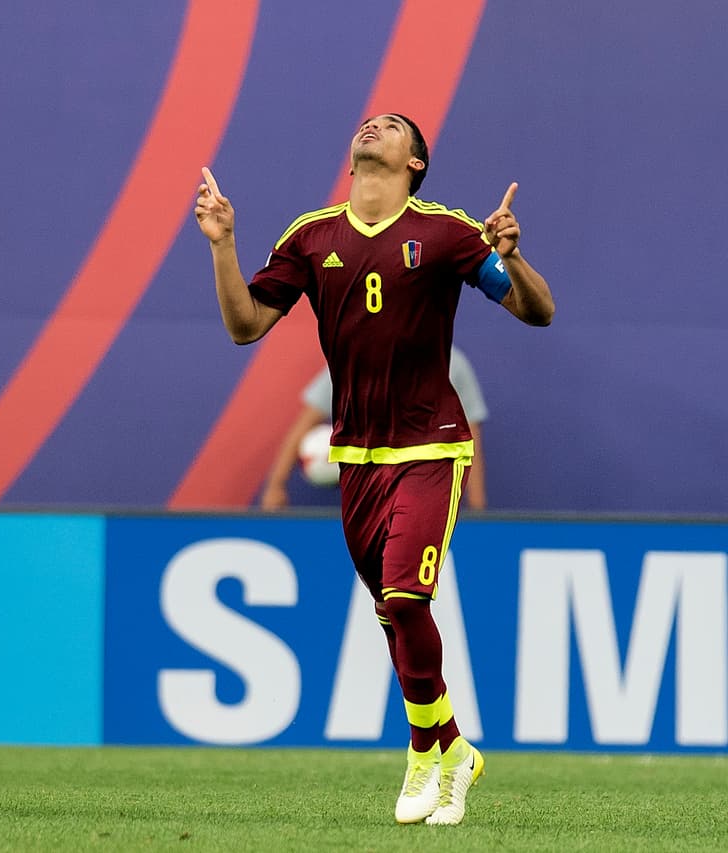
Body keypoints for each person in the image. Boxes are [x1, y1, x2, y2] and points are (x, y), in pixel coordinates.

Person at [195, 113, 553, 826]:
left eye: (393, 127)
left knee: (406, 596)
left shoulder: (448, 232)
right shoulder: (309, 236)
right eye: (370, 121)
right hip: (356, 455)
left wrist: (514, 256)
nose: (375, 125)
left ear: (414, 161)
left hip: (431, 445)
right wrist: (224, 244)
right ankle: (456, 746)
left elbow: (536, 311)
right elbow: (244, 325)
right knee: (394, 611)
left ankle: (424, 749)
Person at [262, 347, 489, 510]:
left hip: (425, 492)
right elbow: (305, 423)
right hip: (369, 495)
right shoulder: (355, 359)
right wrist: (276, 485)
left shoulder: (452, 364)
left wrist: (477, 505)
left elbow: (469, 440)